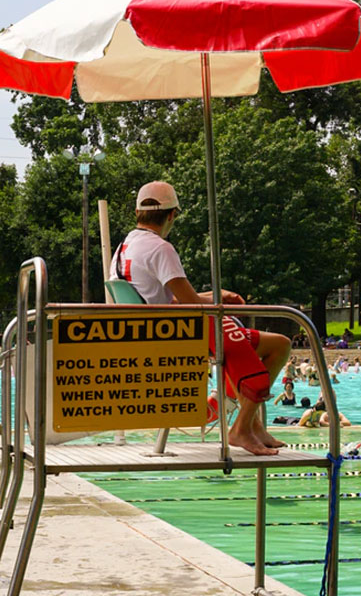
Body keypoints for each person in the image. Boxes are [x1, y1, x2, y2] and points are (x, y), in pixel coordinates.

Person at [109, 181, 290, 456]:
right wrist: (216, 305)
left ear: (137, 213)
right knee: (263, 358)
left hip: (154, 328)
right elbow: (191, 304)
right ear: (172, 215)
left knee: (279, 344)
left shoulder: (124, 247)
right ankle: (241, 429)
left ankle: (252, 424)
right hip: (176, 333)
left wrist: (217, 296)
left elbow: (171, 297)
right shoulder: (161, 249)